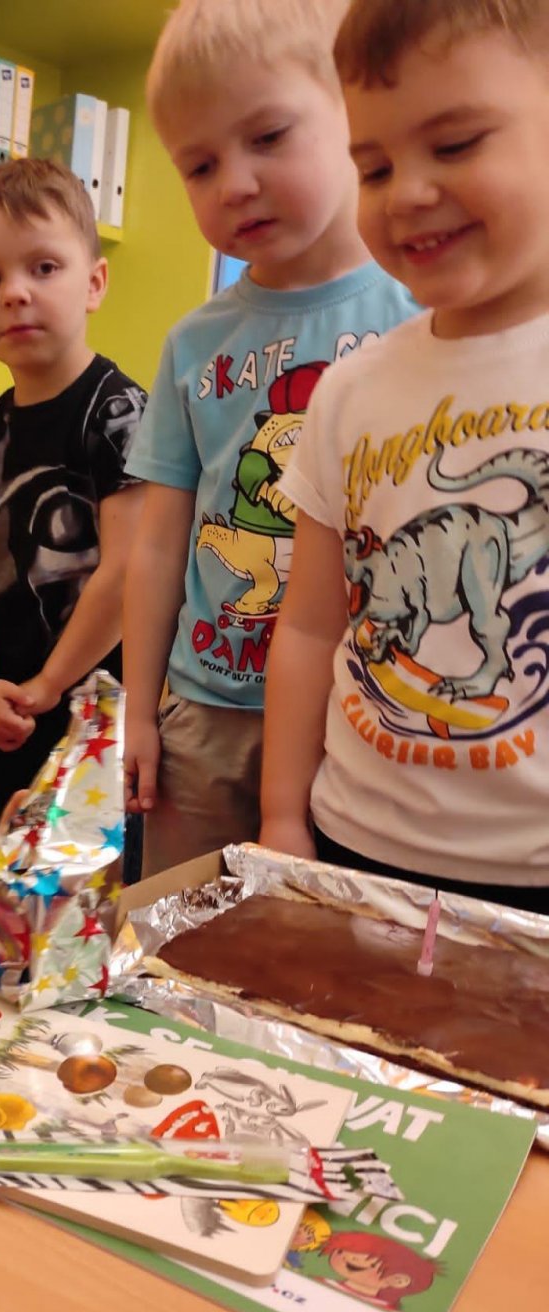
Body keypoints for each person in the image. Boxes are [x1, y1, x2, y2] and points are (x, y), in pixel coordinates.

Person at [261, 0, 549, 913]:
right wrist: (281, 817)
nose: (408, 193)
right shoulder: (349, 390)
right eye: (375, 167)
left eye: (455, 145)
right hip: (358, 843)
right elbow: (310, 627)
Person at [121, 0, 416, 874]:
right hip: (204, 711)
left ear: (351, 116)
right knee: (179, 931)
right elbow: (158, 544)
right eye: (199, 165)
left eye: (269, 137)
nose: (234, 184)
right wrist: (138, 710)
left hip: (358, 718)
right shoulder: (192, 343)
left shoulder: (418, 315)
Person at [0, 157, 149, 814]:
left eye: (43, 267)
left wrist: (49, 684)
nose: (14, 292)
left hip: (93, 719)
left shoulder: (121, 415)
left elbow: (126, 572)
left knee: (80, 876)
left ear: (94, 283)